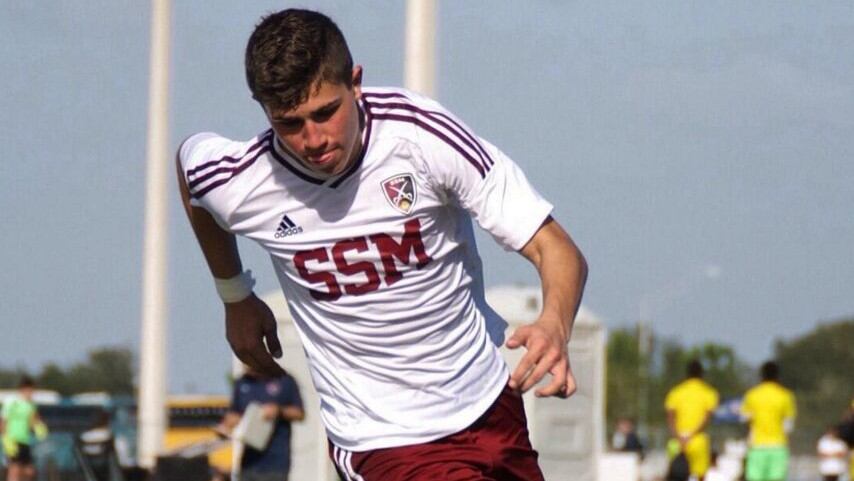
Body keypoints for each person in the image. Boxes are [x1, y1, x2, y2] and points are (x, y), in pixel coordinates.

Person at [177, 8, 587, 480]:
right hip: (383, 441)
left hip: (490, 407)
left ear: (355, 83)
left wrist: (555, 323)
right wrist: (234, 295)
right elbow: (190, 176)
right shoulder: (242, 179)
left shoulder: (422, 137)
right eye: (289, 123)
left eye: (325, 113)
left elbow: (554, 248)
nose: (312, 139)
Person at [216, 367, 304, 481]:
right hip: (249, 463)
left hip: (276, 463)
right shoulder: (242, 382)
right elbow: (234, 414)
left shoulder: (285, 380)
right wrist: (226, 425)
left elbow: (299, 413)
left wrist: (279, 411)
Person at [740, 361, 797, 481]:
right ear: (777, 375)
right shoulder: (785, 396)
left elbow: (744, 419)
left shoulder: (752, 395)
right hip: (778, 447)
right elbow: (788, 426)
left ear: (762, 375)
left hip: (757, 447)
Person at [664, 360, 720, 481]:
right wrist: (692, 434)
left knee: (674, 475)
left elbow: (670, 416)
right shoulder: (708, 392)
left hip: (677, 441)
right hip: (697, 440)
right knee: (700, 476)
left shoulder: (676, 391)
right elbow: (707, 417)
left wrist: (678, 436)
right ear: (702, 374)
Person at [0, 376, 47, 481]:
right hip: (12, 440)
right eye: (29, 391)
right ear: (23, 389)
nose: (31, 393)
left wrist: (39, 427)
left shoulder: (31, 405)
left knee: (29, 471)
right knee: (15, 470)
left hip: (25, 440)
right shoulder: (11, 402)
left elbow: (33, 420)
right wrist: (5, 439)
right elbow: (3, 421)